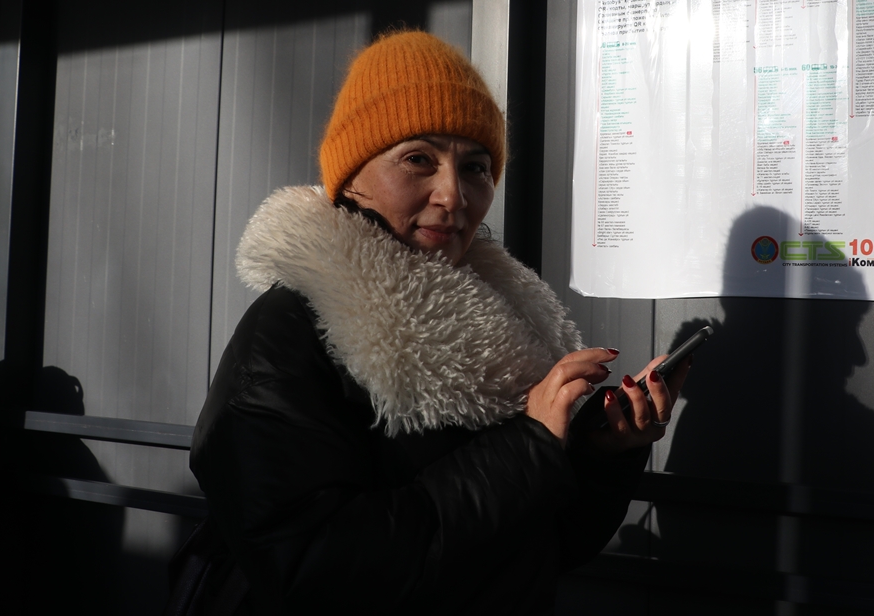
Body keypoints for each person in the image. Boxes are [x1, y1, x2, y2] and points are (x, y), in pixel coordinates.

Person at [189, 30, 687, 614]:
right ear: (351, 176)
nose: (454, 195)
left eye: (475, 167)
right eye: (418, 159)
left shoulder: (496, 328)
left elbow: (546, 548)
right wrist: (526, 448)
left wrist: (602, 455)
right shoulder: (289, 334)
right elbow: (311, 571)